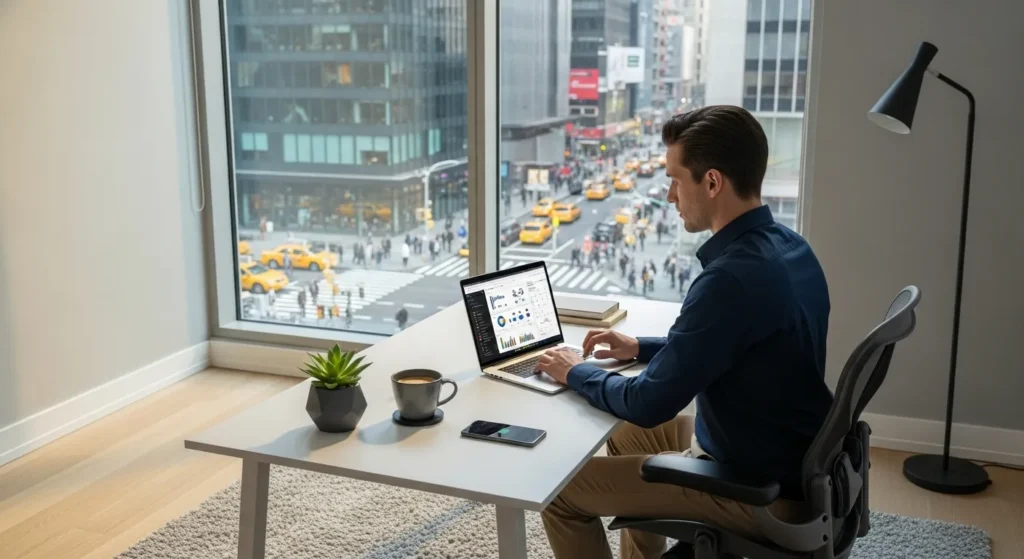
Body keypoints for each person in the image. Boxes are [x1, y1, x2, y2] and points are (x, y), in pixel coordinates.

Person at [535, 106, 832, 559]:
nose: (670, 195)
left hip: (757, 490)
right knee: (626, 435)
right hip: (784, 458)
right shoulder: (791, 248)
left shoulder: (729, 280)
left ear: (712, 182)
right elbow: (734, 343)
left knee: (559, 494)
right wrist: (641, 346)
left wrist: (575, 371)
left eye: (676, 179)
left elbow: (648, 403)